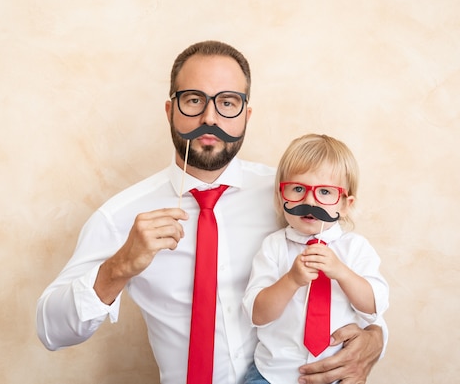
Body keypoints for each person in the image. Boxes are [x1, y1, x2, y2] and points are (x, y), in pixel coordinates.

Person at [36, 41, 386, 384]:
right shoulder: (121, 216)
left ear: (246, 115)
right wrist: (117, 268)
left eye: (228, 103)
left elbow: (348, 273)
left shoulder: (290, 198)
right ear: (170, 110)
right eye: (193, 100)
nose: (209, 118)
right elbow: (51, 330)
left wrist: (375, 339)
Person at [242, 134, 389, 384]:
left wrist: (341, 272)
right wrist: (291, 280)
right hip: (272, 374)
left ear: (344, 204)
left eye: (325, 192)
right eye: (298, 189)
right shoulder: (273, 247)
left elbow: (374, 305)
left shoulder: (355, 248)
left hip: (336, 376)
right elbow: (258, 314)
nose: (310, 201)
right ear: (280, 196)